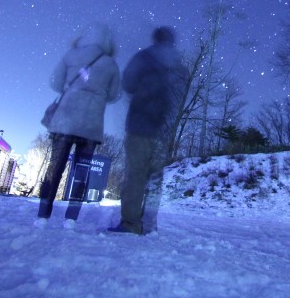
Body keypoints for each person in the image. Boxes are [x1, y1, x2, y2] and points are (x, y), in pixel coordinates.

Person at [37, 23, 121, 224]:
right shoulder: (110, 63)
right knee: (82, 171)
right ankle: (71, 219)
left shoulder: (70, 55)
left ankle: (43, 216)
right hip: (90, 126)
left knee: (54, 168)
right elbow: (114, 95)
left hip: (64, 121)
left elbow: (55, 83)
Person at [108, 26, 188, 235]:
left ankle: (131, 224)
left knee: (136, 173)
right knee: (155, 178)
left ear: (155, 39)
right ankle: (149, 223)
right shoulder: (178, 66)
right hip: (162, 129)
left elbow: (128, 82)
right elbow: (179, 97)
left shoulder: (144, 57)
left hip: (139, 123)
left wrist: (142, 95)